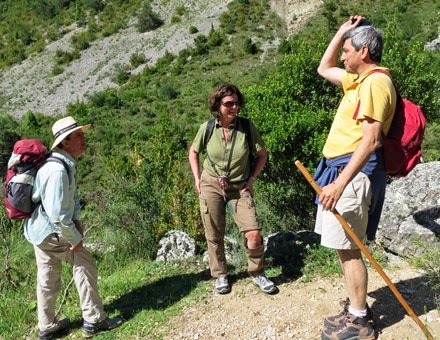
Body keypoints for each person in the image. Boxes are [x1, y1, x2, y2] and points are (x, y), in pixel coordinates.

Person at [314, 16, 397, 339]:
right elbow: (324, 67)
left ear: (364, 51)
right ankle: (355, 307)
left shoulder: (376, 83)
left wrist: (340, 183)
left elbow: (372, 139)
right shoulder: (358, 80)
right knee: (342, 246)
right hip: (341, 171)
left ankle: (360, 321)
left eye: (347, 49)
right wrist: (341, 31)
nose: (343, 56)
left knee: (349, 247)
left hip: (353, 174)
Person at [24, 116, 123, 339]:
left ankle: (47, 326)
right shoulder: (58, 170)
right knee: (84, 263)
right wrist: (74, 238)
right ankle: (94, 319)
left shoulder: (61, 163)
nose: (83, 138)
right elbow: (58, 214)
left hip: (37, 231)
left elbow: (71, 200)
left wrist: (76, 221)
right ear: (65, 141)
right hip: (52, 230)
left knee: (48, 277)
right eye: (78, 135)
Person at [189, 83, 276, 295]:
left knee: (254, 233)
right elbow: (193, 152)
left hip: (240, 187)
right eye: (229, 103)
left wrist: (252, 179)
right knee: (214, 233)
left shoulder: (247, 127)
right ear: (218, 105)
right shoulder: (207, 128)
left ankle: (257, 273)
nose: (234, 107)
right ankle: (220, 275)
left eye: (236, 103)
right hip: (211, 185)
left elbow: (263, 155)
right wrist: (197, 178)